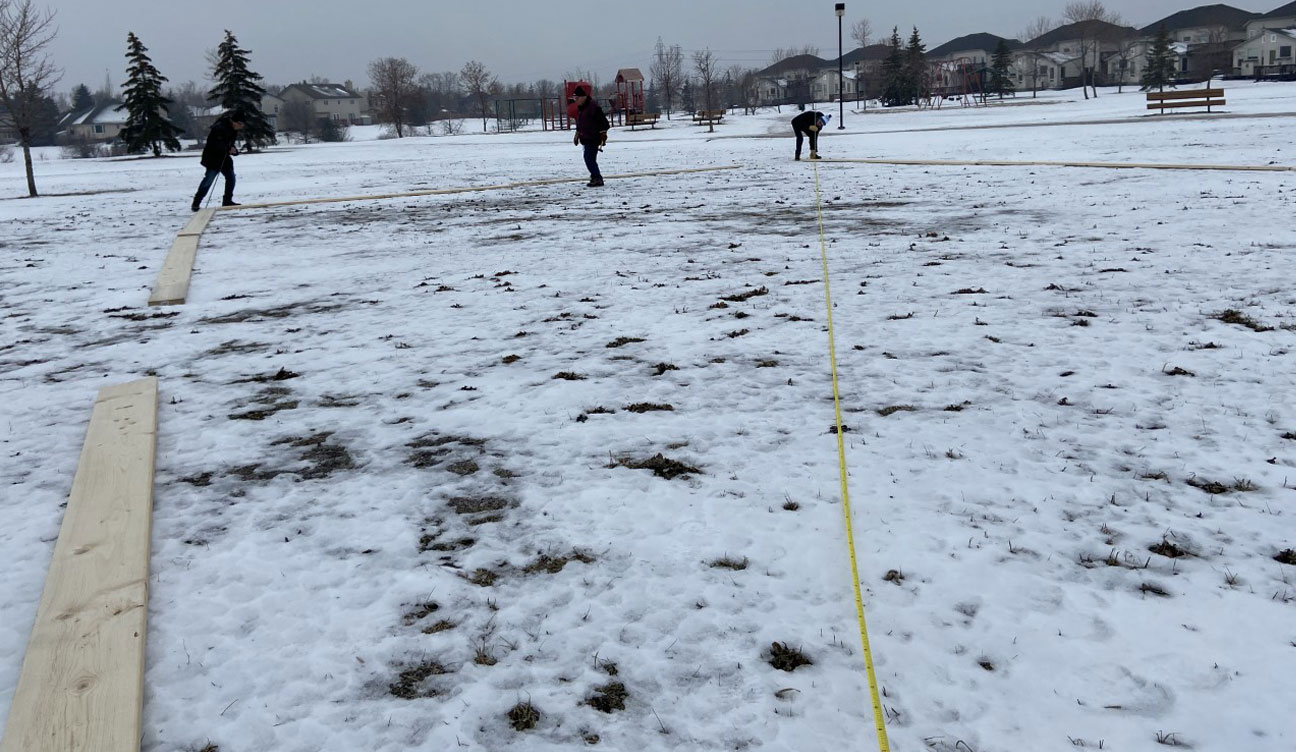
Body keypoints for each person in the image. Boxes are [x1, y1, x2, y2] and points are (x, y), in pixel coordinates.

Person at [191, 110, 245, 211]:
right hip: (213, 158)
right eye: (241, 124)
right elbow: (215, 144)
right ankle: (196, 203)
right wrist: (228, 149)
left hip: (224, 158)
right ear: (235, 122)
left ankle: (227, 200)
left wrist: (234, 150)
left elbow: (229, 143)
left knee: (231, 178)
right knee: (208, 180)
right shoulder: (219, 128)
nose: (241, 127)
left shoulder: (233, 130)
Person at [572, 86, 609, 187]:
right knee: (590, 159)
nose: (575, 101)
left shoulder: (593, 107)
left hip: (593, 137)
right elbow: (580, 123)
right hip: (586, 137)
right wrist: (577, 134)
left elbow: (604, 123)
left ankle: (597, 178)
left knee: (589, 158)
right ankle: (595, 177)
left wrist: (603, 133)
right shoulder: (582, 108)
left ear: (583, 97)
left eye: (577, 98)